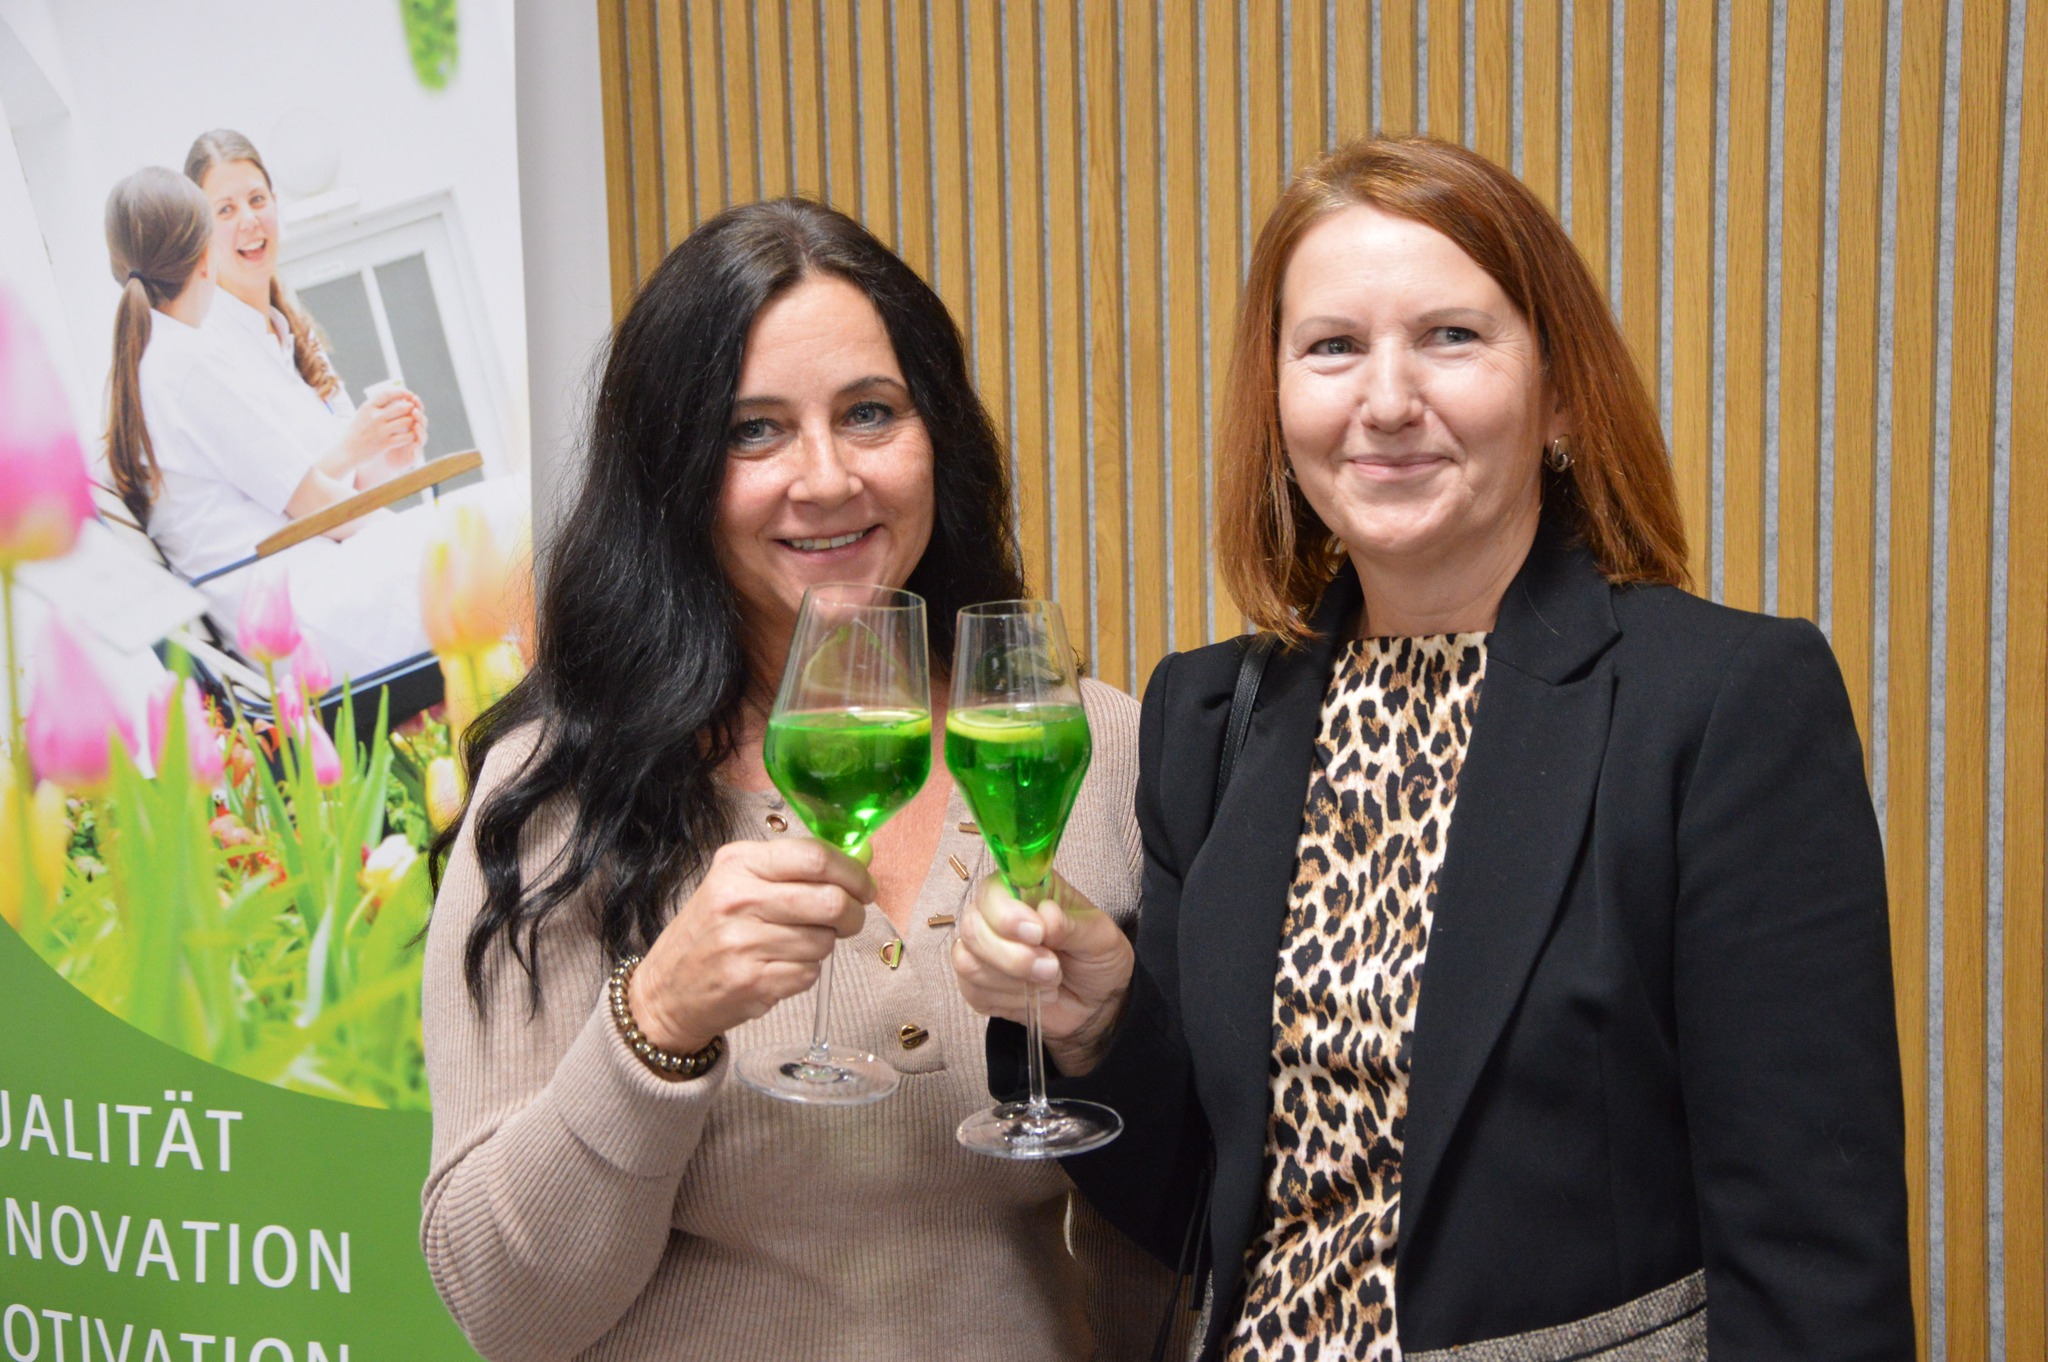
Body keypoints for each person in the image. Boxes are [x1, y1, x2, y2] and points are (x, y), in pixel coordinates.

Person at [953, 137, 1912, 1362]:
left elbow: (1812, 1256)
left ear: (1559, 394)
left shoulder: (1720, 703)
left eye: (1450, 338)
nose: (1386, 400)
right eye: (1331, 347)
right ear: (1277, 398)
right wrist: (1092, 1029)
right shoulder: (1207, 717)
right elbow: (1192, 1209)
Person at [421, 198, 1171, 1362]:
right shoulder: (561, 792)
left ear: (939, 439)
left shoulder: (1094, 749)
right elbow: (500, 1307)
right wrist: (657, 1021)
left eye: (870, 413)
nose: (824, 479)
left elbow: (1180, 1228)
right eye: (753, 432)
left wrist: (1109, 1030)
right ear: (672, 473)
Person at [183, 128, 426, 495]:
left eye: (257, 199)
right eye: (226, 209)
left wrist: (387, 453)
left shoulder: (297, 334)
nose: (249, 219)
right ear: (199, 231)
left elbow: (351, 485)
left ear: (276, 204)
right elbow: (274, 505)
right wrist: (353, 447)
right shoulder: (210, 350)